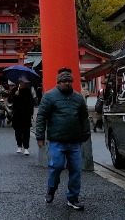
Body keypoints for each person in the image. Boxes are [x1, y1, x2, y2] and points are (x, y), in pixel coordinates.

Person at [35, 69, 90, 211]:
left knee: (76, 170)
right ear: (58, 82)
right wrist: (39, 136)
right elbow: (41, 117)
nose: (66, 83)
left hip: (74, 141)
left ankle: (73, 197)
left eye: (69, 81)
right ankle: (51, 188)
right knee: (57, 166)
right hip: (57, 140)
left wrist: (86, 133)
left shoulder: (78, 98)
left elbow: (84, 117)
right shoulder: (49, 96)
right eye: (63, 81)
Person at [8, 75, 36, 156]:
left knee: (26, 131)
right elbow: (9, 100)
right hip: (17, 113)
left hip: (26, 113)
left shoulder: (28, 90)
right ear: (20, 82)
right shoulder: (15, 89)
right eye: (25, 82)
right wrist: (15, 95)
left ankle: (26, 147)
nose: (26, 84)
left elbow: (31, 102)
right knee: (18, 130)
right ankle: (19, 146)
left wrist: (31, 112)